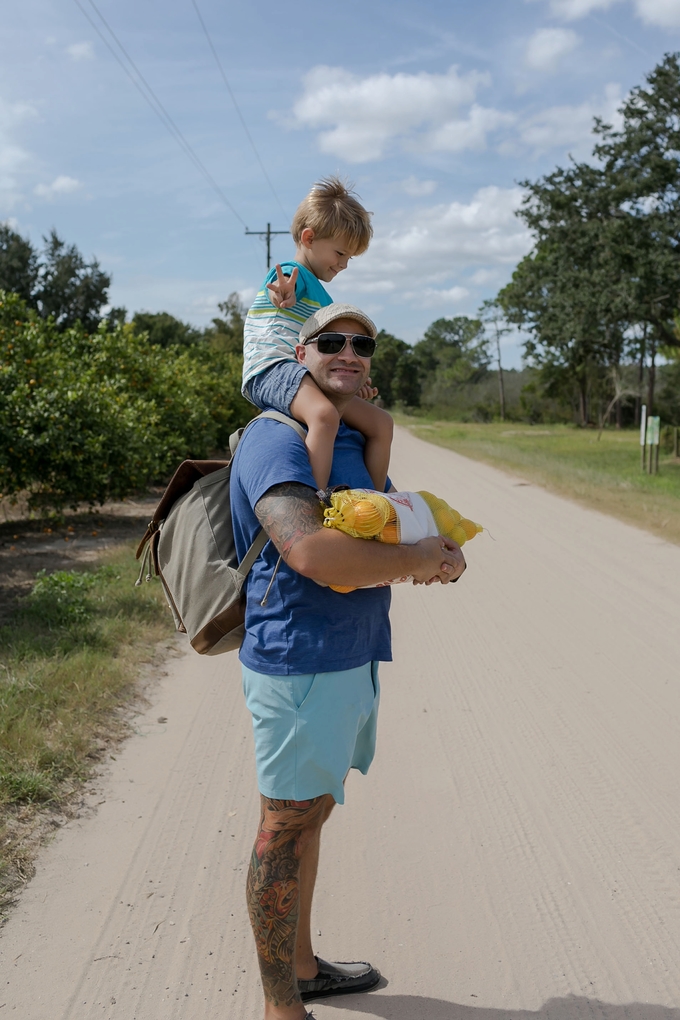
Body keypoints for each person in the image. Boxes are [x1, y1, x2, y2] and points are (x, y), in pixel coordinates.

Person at [231, 303, 467, 1020]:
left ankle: (303, 969)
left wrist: (433, 551)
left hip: (348, 654)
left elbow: (376, 531)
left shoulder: (357, 441)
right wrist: (415, 557)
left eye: (363, 344)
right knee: (285, 824)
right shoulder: (278, 441)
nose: (350, 351)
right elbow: (309, 551)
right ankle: (282, 1009)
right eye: (331, 340)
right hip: (300, 660)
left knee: (314, 812)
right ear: (296, 355)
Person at [242, 176, 393, 493]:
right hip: (274, 368)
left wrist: (353, 379)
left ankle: (379, 501)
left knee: (381, 424)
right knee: (324, 416)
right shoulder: (290, 273)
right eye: (340, 253)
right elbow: (283, 292)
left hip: (307, 373)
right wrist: (282, 296)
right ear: (309, 238)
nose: (344, 264)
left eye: (349, 258)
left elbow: (329, 353)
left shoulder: (325, 300)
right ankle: (317, 500)